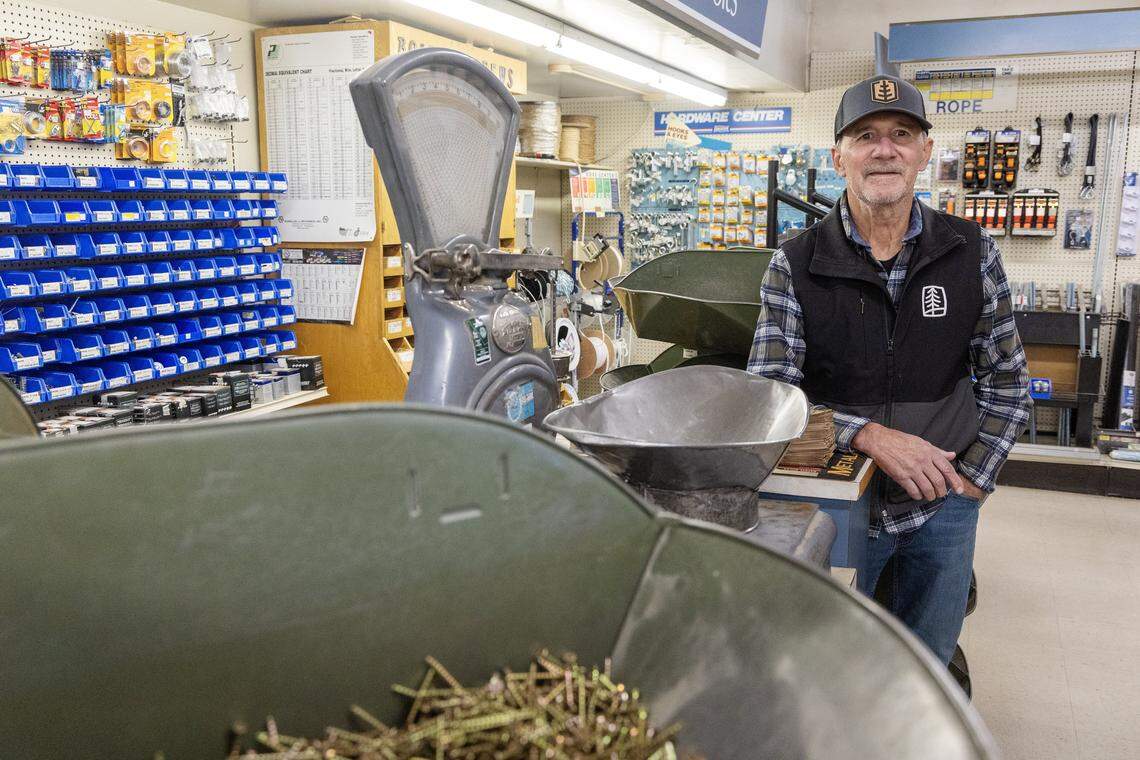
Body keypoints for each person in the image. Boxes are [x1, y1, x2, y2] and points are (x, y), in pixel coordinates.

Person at [748, 74, 1031, 665]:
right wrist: (868, 436)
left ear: (924, 152)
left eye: (901, 134)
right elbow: (770, 399)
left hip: (943, 506)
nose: (884, 150)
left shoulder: (972, 252)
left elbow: (1007, 383)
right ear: (838, 157)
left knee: (927, 663)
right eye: (865, 136)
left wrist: (972, 483)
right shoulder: (795, 264)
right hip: (834, 506)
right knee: (828, 663)